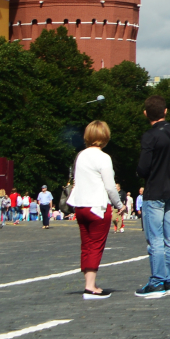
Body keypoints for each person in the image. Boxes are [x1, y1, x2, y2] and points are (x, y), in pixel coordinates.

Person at [135, 95, 170, 295]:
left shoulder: (149, 136)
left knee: (155, 238)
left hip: (154, 190)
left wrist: (142, 173)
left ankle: (157, 281)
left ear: (145, 113)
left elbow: (143, 167)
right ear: (165, 111)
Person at [69, 120, 120, 299]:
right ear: (105, 137)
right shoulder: (104, 157)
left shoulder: (80, 156)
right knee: (96, 246)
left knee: (86, 244)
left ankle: (89, 282)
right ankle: (90, 287)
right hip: (97, 206)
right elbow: (110, 187)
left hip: (81, 205)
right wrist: (119, 205)